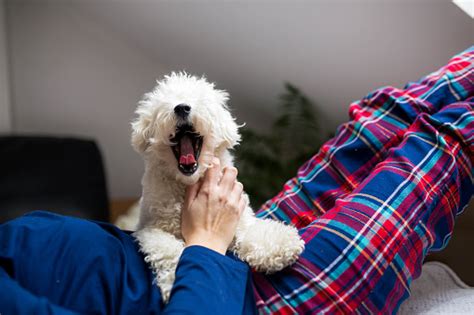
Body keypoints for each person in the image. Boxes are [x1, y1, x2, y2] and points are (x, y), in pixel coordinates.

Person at [0, 46, 473, 315]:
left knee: (378, 124)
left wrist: (214, 236)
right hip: (243, 301)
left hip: (225, 252)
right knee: (438, 149)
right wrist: (204, 241)